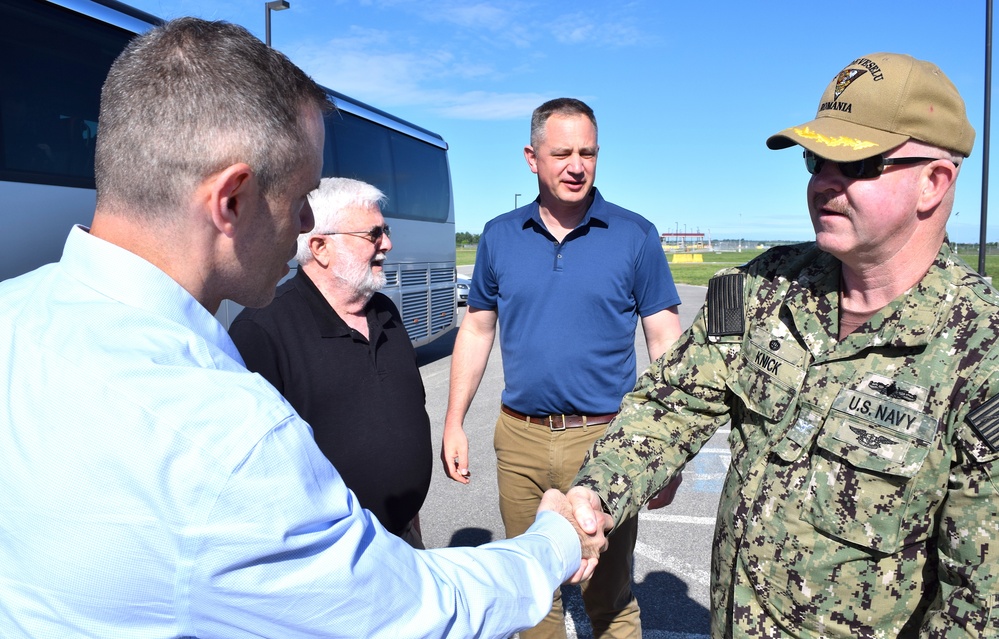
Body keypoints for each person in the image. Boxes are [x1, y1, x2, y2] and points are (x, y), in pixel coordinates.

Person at [0, 18, 615, 639]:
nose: (303, 227)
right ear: (232, 200)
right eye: (300, 198)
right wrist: (555, 541)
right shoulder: (226, 437)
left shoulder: (13, 317)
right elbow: (408, 614)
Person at [570, 52, 999, 637]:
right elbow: (669, 406)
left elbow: (978, 607)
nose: (824, 182)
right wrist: (591, 500)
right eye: (816, 159)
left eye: (858, 164)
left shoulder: (981, 350)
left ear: (935, 181)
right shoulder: (759, 287)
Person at [441, 97, 683, 639]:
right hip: (520, 440)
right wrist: (455, 420)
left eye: (588, 153)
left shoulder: (634, 236)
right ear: (532, 157)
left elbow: (665, 338)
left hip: (606, 442)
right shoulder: (500, 236)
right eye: (562, 153)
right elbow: (477, 329)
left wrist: (665, 450)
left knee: (610, 599)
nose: (577, 166)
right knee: (532, 598)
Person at [229, 177, 431, 548]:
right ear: (320, 247)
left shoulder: (384, 310)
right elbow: (254, 479)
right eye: (373, 234)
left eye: (386, 230)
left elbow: (404, 414)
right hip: (329, 557)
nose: (387, 243)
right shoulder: (262, 331)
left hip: (403, 539)